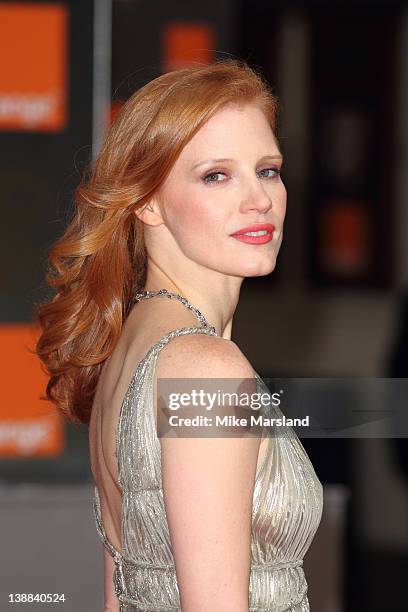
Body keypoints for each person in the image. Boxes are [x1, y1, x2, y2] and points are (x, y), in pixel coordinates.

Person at [34, 59, 323, 611]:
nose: (259, 200)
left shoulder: (132, 350)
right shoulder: (205, 368)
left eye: (267, 169)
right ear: (145, 199)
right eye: (216, 175)